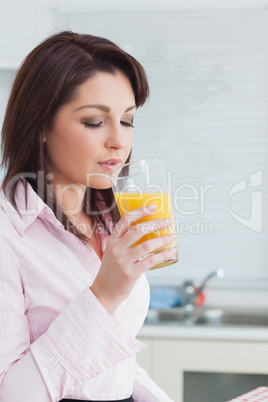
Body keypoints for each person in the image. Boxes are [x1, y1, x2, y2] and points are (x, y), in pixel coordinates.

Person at [0, 31, 177, 401]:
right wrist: (103, 295)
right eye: (95, 121)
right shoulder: (8, 231)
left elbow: (111, 366)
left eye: (127, 120)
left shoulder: (109, 220)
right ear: (41, 125)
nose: (118, 141)